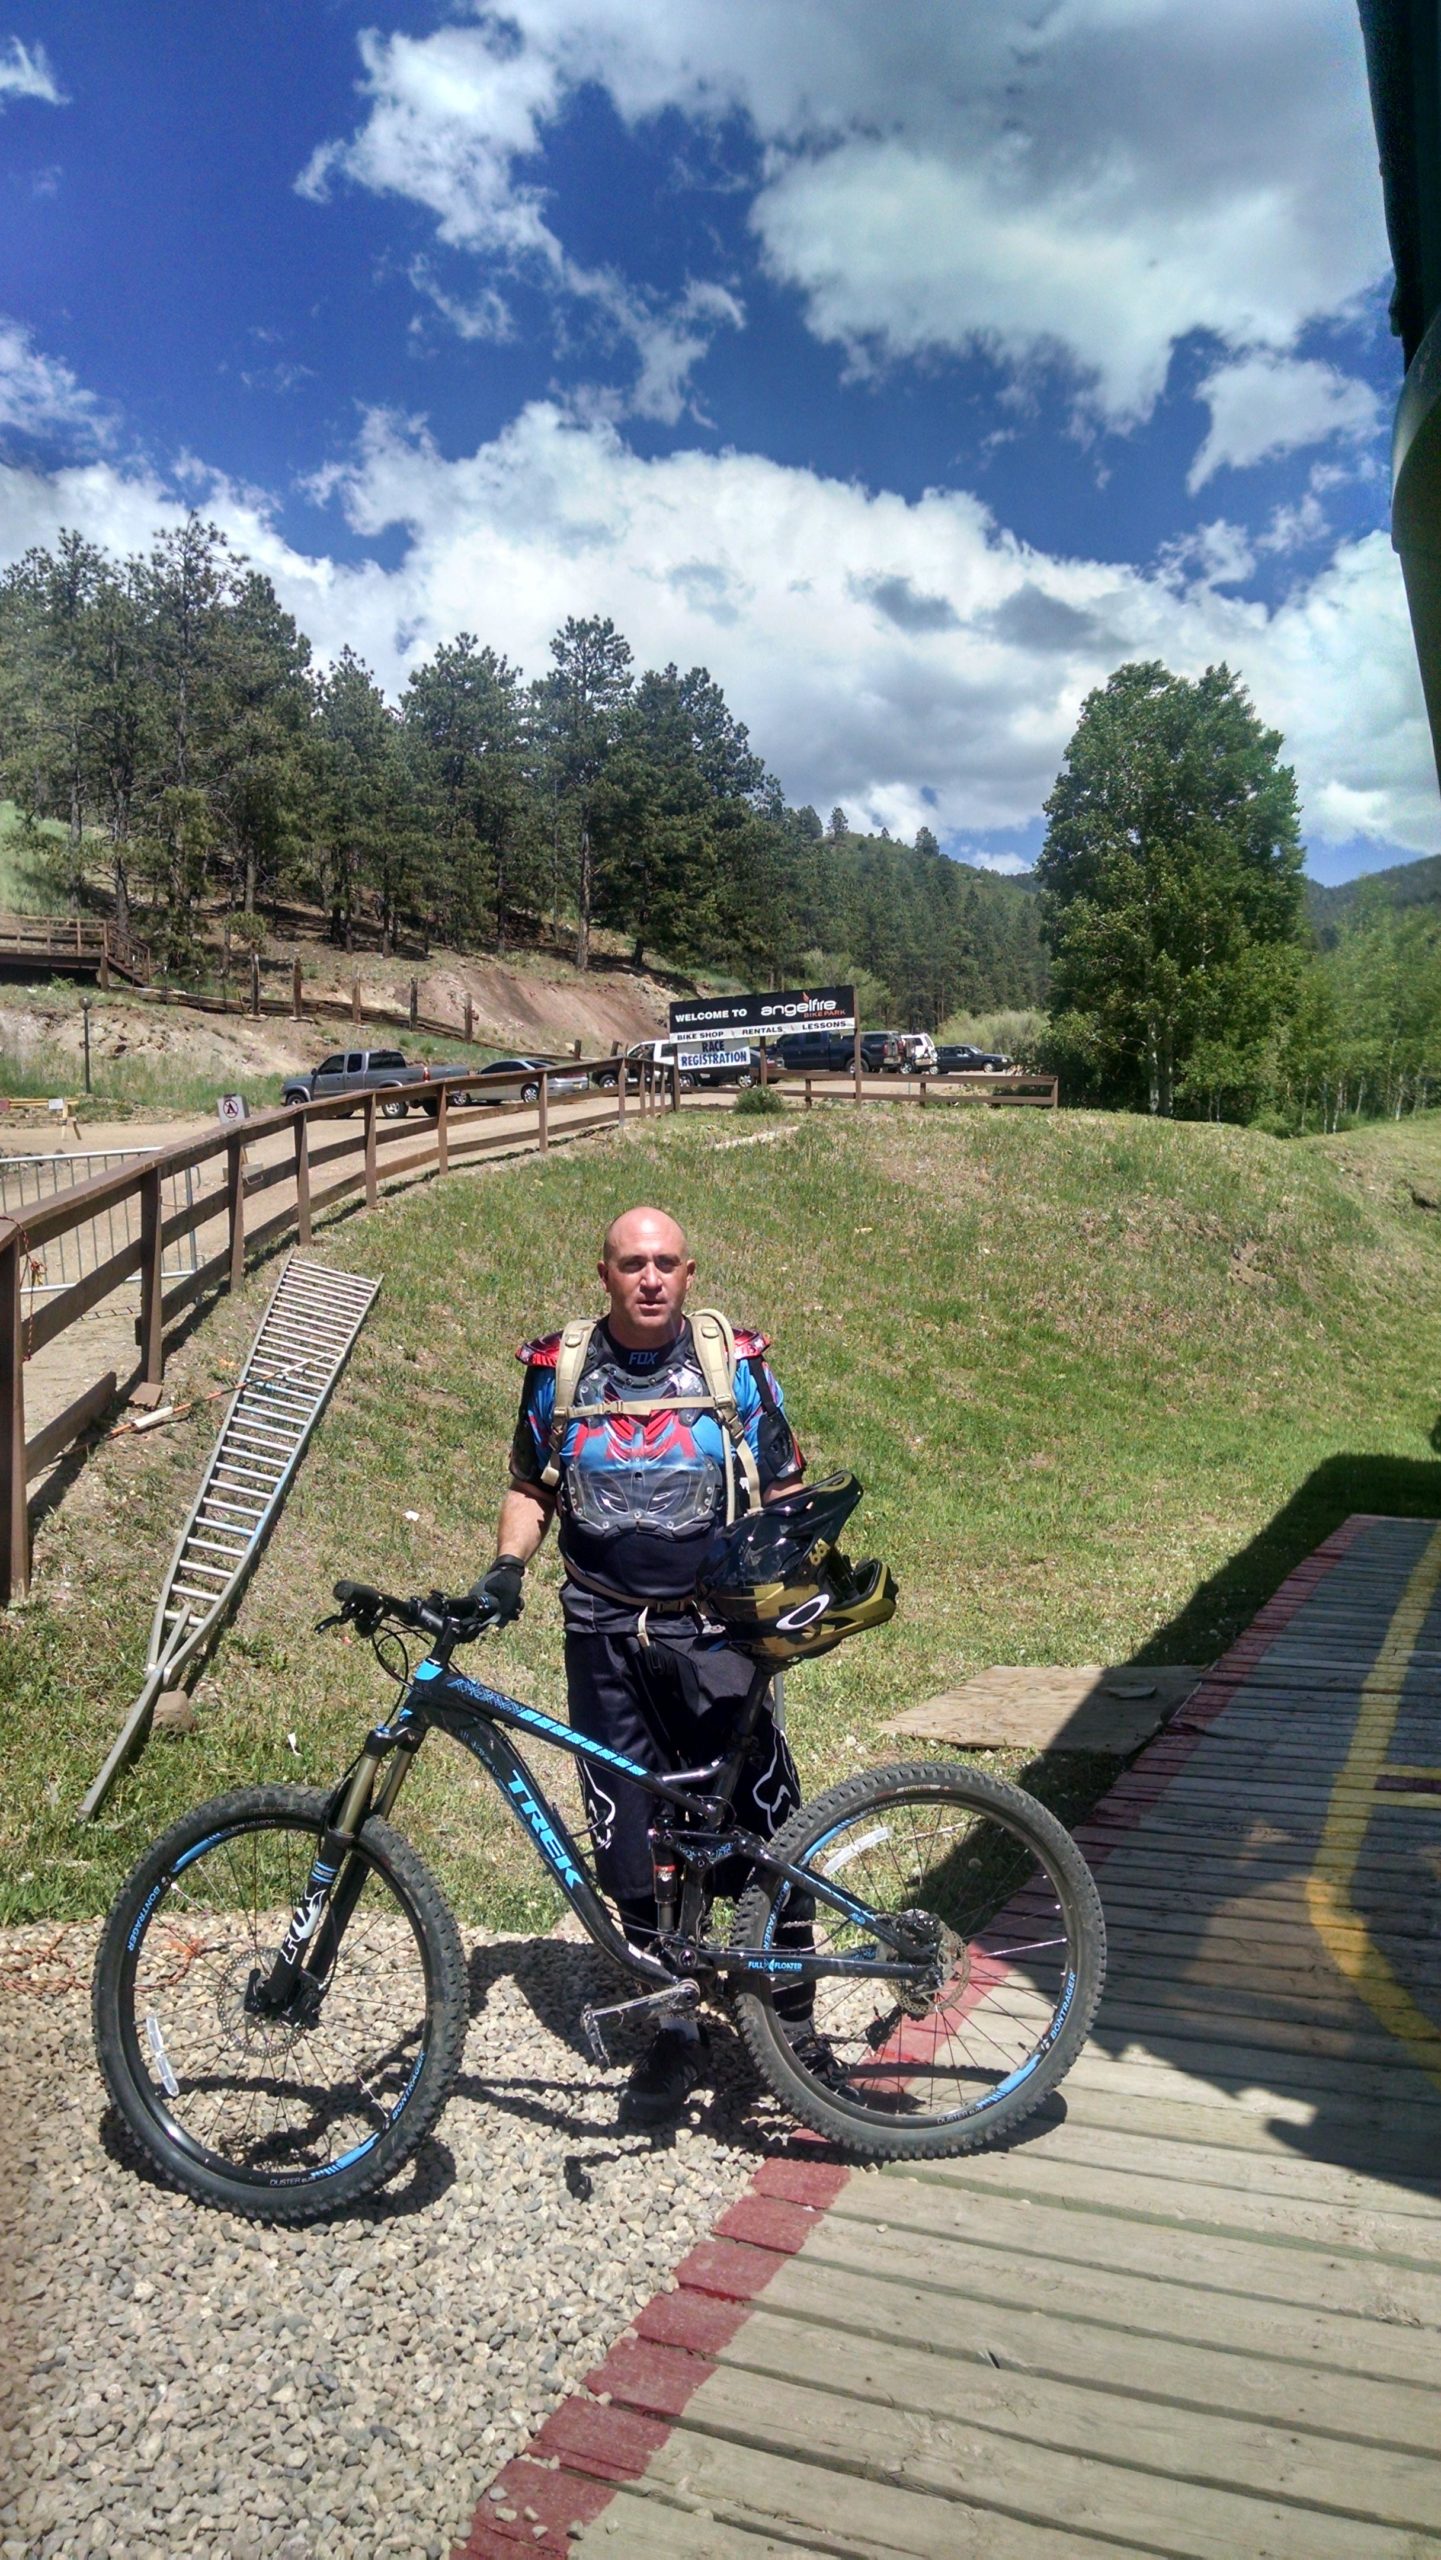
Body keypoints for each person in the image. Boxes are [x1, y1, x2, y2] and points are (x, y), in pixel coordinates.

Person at [471, 1203, 807, 2126]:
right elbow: (529, 1485)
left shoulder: (733, 1364)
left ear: (689, 1272)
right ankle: (674, 2029)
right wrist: (507, 1568)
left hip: (717, 1636)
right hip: (603, 1635)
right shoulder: (559, 1371)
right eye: (631, 1263)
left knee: (757, 1822)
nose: (649, 1278)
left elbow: (784, 1489)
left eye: (664, 1263)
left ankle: (796, 2025)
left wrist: (779, 1591)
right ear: (604, 1273)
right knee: (630, 1840)